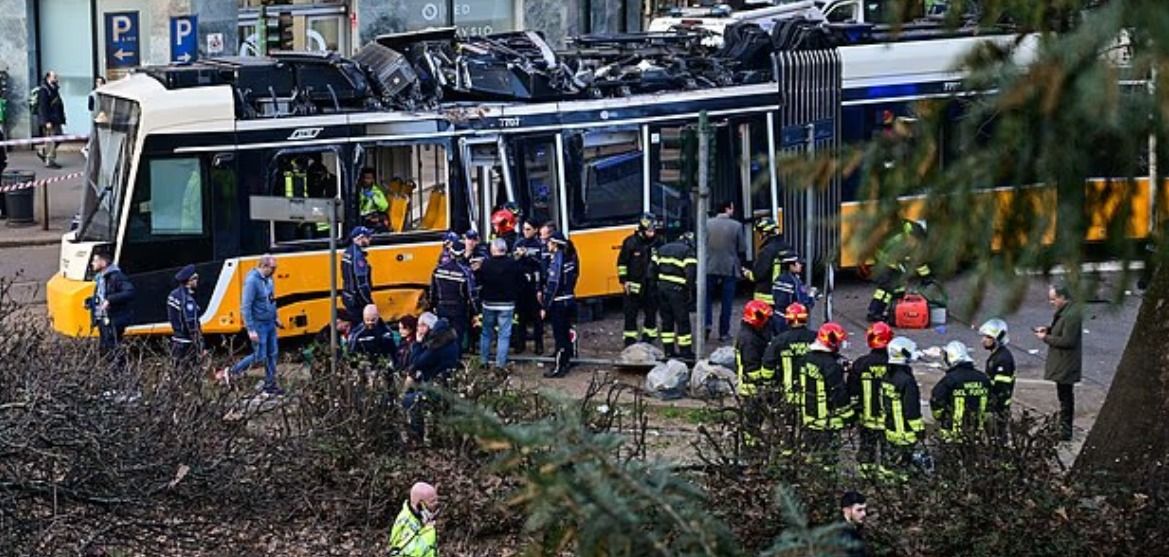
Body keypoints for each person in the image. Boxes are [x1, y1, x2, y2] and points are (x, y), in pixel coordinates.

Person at [218, 255, 284, 396]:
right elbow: (246, 307)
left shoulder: (269, 279)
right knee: (260, 355)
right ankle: (231, 371)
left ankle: (270, 384)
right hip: (259, 324)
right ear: (264, 266)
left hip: (270, 323)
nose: (275, 270)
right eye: (273, 268)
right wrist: (251, 329)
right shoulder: (252, 281)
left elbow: (272, 300)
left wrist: (276, 317)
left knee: (273, 354)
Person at [402, 312, 460, 442]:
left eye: (420, 326)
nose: (418, 329)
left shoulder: (437, 344)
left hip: (437, 387)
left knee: (408, 400)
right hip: (446, 383)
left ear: (427, 327)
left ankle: (417, 436)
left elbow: (416, 362)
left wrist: (417, 343)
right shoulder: (448, 338)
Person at [1035, 284, 1082, 441]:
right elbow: (1062, 330)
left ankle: (1066, 429)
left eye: (1054, 299)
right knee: (1063, 395)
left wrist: (1046, 338)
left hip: (1066, 363)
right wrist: (1049, 329)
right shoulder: (1065, 313)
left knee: (1066, 396)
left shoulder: (1071, 315)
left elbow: (1068, 340)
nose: (1052, 302)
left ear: (1063, 298)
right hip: (1063, 362)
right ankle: (1063, 427)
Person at [800, 322, 853, 459]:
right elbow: (838, 393)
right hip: (826, 422)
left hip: (809, 418)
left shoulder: (806, 358)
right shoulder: (831, 366)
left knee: (811, 455)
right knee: (827, 458)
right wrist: (849, 415)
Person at [867, 219, 932, 323]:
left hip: (894, 264)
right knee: (885, 290)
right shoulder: (897, 240)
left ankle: (895, 311)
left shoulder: (911, 239)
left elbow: (917, 260)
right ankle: (874, 312)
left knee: (899, 289)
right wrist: (899, 263)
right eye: (916, 241)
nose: (916, 244)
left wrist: (926, 276)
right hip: (884, 263)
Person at [848, 322, 893, 473]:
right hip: (889, 421)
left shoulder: (861, 364)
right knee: (889, 455)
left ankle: (865, 478)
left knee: (866, 450)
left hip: (866, 418)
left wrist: (853, 413)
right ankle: (887, 484)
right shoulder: (894, 365)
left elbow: (852, 390)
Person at [930, 341, 992, 443]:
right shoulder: (983, 378)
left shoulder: (950, 379)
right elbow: (991, 402)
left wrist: (940, 416)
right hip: (977, 434)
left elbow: (936, 399)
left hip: (952, 434)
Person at [881, 336, 925, 476]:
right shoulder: (906, 381)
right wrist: (919, 430)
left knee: (889, 466)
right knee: (905, 469)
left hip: (890, 430)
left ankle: (885, 490)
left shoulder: (887, 376)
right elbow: (911, 409)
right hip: (905, 433)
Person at [617, 212, 662, 347]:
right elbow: (622, 263)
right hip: (633, 284)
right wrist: (624, 281)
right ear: (642, 229)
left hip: (652, 284)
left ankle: (649, 336)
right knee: (630, 313)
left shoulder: (658, 243)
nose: (652, 232)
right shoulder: (630, 242)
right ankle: (630, 339)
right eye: (650, 230)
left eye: (654, 230)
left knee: (651, 311)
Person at [762, 302, 818, 410]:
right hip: (813, 393)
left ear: (787, 320)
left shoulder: (780, 340)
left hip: (788, 393)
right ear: (805, 319)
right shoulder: (815, 338)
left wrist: (767, 382)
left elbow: (768, 363)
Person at [652, 232, 698, 359]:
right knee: (682, 321)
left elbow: (652, 270)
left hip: (662, 290)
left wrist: (655, 287)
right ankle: (685, 352)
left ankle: (668, 351)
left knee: (667, 321)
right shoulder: (688, 252)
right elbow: (691, 274)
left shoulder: (662, 249)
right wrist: (690, 290)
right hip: (677, 291)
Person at [705, 201, 746, 342]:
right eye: (732, 208)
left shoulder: (707, 224)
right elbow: (742, 248)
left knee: (707, 298)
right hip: (730, 268)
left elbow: (700, 244)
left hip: (709, 266)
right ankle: (723, 332)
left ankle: (707, 324)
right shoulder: (737, 226)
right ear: (727, 209)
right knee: (726, 302)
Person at [477, 238, 521, 369]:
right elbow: (519, 282)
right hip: (507, 304)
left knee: (486, 333)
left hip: (489, 303)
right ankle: (500, 365)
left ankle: (483, 361)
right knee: (504, 335)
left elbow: (480, 281)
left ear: (493, 249)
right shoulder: (512, 263)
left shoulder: (485, 264)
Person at [88, 251, 136, 372]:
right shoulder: (101, 278)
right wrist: (91, 302)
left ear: (103, 263)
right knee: (105, 347)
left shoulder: (116, 277)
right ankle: (109, 372)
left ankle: (118, 373)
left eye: (95, 260)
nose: (92, 263)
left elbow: (129, 292)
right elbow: (100, 296)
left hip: (114, 319)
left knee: (113, 348)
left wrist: (110, 300)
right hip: (103, 319)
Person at [735, 300, 774, 444]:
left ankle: (753, 445)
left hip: (752, 387)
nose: (766, 322)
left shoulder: (752, 334)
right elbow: (752, 368)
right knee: (752, 422)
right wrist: (768, 379)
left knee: (755, 420)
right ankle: (750, 449)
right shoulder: (749, 339)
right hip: (751, 388)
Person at [542, 231, 578, 378]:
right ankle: (568, 360)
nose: (547, 245)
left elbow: (553, 284)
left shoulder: (557, 260)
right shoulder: (570, 258)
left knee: (560, 336)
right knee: (567, 332)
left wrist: (545, 305)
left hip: (559, 303)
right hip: (569, 300)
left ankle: (559, 367)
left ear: (555, 245)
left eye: (549, 242)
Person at [430, 241, 477, 351]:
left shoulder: (438, 270)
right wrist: (475, 311)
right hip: (458, 309)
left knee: (442, 336)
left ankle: (443, 361)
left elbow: (433, 291)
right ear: (463, 253)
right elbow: (471, 294)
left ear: (450, 253)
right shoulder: (465, 272)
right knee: (457, 336)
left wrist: (432, 306)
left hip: (442, 307)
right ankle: (455, 360)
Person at [979, 318, 1016, 436]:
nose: (983, 340)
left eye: (988, 337)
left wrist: (992, 407)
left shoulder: (1002, 359)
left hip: (999, 408)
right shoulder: (996, 356)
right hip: (996, 407)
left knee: (997, 436)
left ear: (998, 339)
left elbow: (1001, 388)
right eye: (984, 336)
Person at [513, 220, 545, 355]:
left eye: (528, 229)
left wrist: (528, 255)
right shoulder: (519, 243)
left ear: (535, 230)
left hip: (534, 284)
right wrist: (517, 256)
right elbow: (512, 260)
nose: (525, 232)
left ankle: (539, 345)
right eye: (524, 229)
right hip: (520, 284)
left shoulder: (539, 245)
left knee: (537, 317)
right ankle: (520, 344)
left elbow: (542, 264)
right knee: (521, 317)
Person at [743, 217, 788, 308]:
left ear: (764, 233)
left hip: (766, 296)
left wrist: (746, 273)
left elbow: (757, 275)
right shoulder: (786, 246)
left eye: (759, 233)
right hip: (784, 295)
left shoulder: (766, 251)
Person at [166, 264, 203, 373]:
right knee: (190, 372)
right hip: (186, 342)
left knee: (176, 371)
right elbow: (191, 322)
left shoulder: (174, 294)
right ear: (189, 281)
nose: (197, 281)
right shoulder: (187, 300)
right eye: (195, 278)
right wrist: (199, 344)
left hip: (177, 340)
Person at [388, 482, 440, 556]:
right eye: (432, 502)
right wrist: (429, 531)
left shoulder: (421, 519)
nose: (436, 506)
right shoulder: (404, 525)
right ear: (420, 505)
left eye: (436, 501)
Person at [771, 250, 816, 332]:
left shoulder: (778, 279)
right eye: (798, 263)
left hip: (777, 318)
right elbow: (802, 304)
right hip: (790, 321)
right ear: (791, 266)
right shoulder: (794, 282)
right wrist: (812, 296)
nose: (801, 265)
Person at [342, 226, 375, 327]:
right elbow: (361, 283)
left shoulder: (347, 252)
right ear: (360, 238)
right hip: (358, 300)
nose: (370, 239)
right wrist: (369, 302)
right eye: (368, 237)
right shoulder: (358, 257)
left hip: (348, 296)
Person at [36, 71, 65, 169]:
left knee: (59, 137)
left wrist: (62, 118)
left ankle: (43, 151)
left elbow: (59, 104)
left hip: (56, 119)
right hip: (49, 120)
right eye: (54, 77)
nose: (56, 78)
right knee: (52, 139)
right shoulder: (44, 90)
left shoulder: (54, 89)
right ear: (48, 78)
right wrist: (46, 121)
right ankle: (50, 160)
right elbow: (43, 107)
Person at [839, 491, 868, 557]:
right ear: (847, 510)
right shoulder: (841, 534)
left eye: (864, 509)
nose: (864, 514)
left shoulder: (854, 530)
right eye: (859, 510)